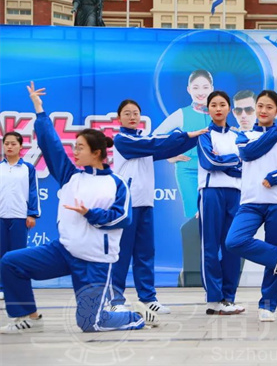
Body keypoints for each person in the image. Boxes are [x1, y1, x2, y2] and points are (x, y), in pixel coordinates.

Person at [0, 82, 159, 334]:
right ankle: (28, 316)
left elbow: (122, 218)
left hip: (95, 262)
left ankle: (136, 316)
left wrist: (90, 214)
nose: (75, 151)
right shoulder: (70, 176)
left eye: (80, 147)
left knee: (90, 323)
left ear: (96, 153)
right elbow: (52, 145)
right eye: (75, 147)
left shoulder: (117, 184)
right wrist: (39, 110)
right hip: (63, 252)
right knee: (11, 262)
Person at [110, 99, 207, 315]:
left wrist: (195, 138)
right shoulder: (123, 140)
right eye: (127, 113)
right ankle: (116, 299)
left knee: (145, 253)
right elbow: (156, 144)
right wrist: (186, 134)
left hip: (145, 204)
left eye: (135, 113)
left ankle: (148, 298)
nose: (132, 117)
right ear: (119, 118)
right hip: (126, 206)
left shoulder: (143, 141)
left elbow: (165, 149)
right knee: (122, 254)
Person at [225, 90, 277, 322]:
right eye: (260, 106)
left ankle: (267, 305)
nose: (263, 110)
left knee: (275, 259)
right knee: (234, 241)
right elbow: (249, 153)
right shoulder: (245, 135)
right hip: (251, 202)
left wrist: (275, 176)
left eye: (269, 107)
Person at [154, 69, 213, 287]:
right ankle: (193, 270)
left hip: (213, 173)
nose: (200, 92)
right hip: (187, 171)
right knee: (195, 218)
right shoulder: (181, 114)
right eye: (196, 87)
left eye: (205, 87)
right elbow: (156, 135)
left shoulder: (217, 111)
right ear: (188, 89)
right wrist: (170, 156)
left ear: (212, 89)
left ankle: (205, 268)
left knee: (212, 219)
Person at [197, 91, 244, 315]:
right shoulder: (204, 135)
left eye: (222, 104)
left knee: (232, 246)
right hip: (211, 192)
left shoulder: (238, 137)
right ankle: (213, 298)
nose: (218, 108)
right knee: (210, 246)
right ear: (208, 109)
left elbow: (245, 165)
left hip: (235, 193)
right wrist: (233, 161)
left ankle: (228, 298)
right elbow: (209, 162)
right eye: (213, 105)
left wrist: (223, 161)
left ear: (229, 109)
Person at [0, 132, 41, 301]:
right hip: (1, 216)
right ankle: (2, 288)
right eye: (6, 143)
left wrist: (32, 214)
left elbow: (33, 192)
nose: (9, 147)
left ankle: (17, 288)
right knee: (1, 253)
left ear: (20, 146)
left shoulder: (28, 169)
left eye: (13, 144)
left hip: (19, 216)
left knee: (18, 254)